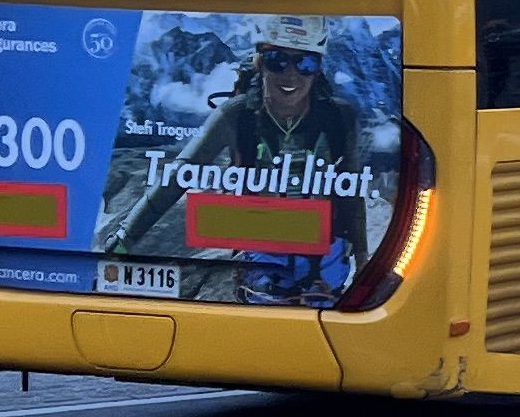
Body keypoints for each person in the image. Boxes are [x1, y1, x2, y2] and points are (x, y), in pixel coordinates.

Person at [131, 16, 378, 298]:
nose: (291, 74)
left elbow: (351, 195)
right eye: (277, 60)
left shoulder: (339, 118)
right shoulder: (236, 115)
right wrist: (122, 242)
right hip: (261, 265)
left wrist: (362, 261)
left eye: (306, 63)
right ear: (259, 62)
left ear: (318, 69)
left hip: (325, 264)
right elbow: (176, 179)